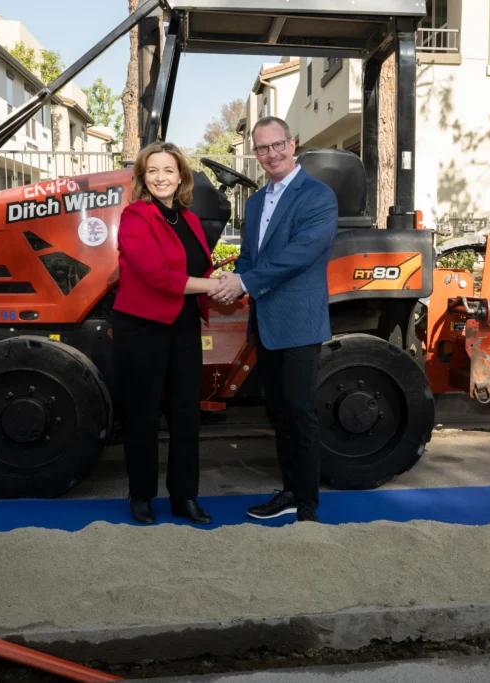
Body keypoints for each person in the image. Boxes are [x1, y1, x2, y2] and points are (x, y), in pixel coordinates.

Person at [210, 117, 338, 523]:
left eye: (277, 145)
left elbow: (300, 254)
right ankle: (289, 490)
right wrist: (234, 281)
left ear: (292, 142)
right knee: (279, 413)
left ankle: (307, 506)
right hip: (266, 322)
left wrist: (245, 280)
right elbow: (250, 256)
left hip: (298, 322)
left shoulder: (318, 197)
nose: (270, 155)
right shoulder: (257, 202)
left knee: (300, 413)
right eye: (262, 149)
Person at [112, 141, 218, 526]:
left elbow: (197, 269)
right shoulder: (135, 217)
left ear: (181, 177)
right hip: (142, 327)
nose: (161, 177)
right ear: (143, 178)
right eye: (152, 171)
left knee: (186, 415)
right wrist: (210, 287)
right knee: (142, 415)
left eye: (168, 170)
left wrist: (217, 281)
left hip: (184, 326)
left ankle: (183, 497)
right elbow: (158, 275)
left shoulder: (188, 218)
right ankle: (141, 496)